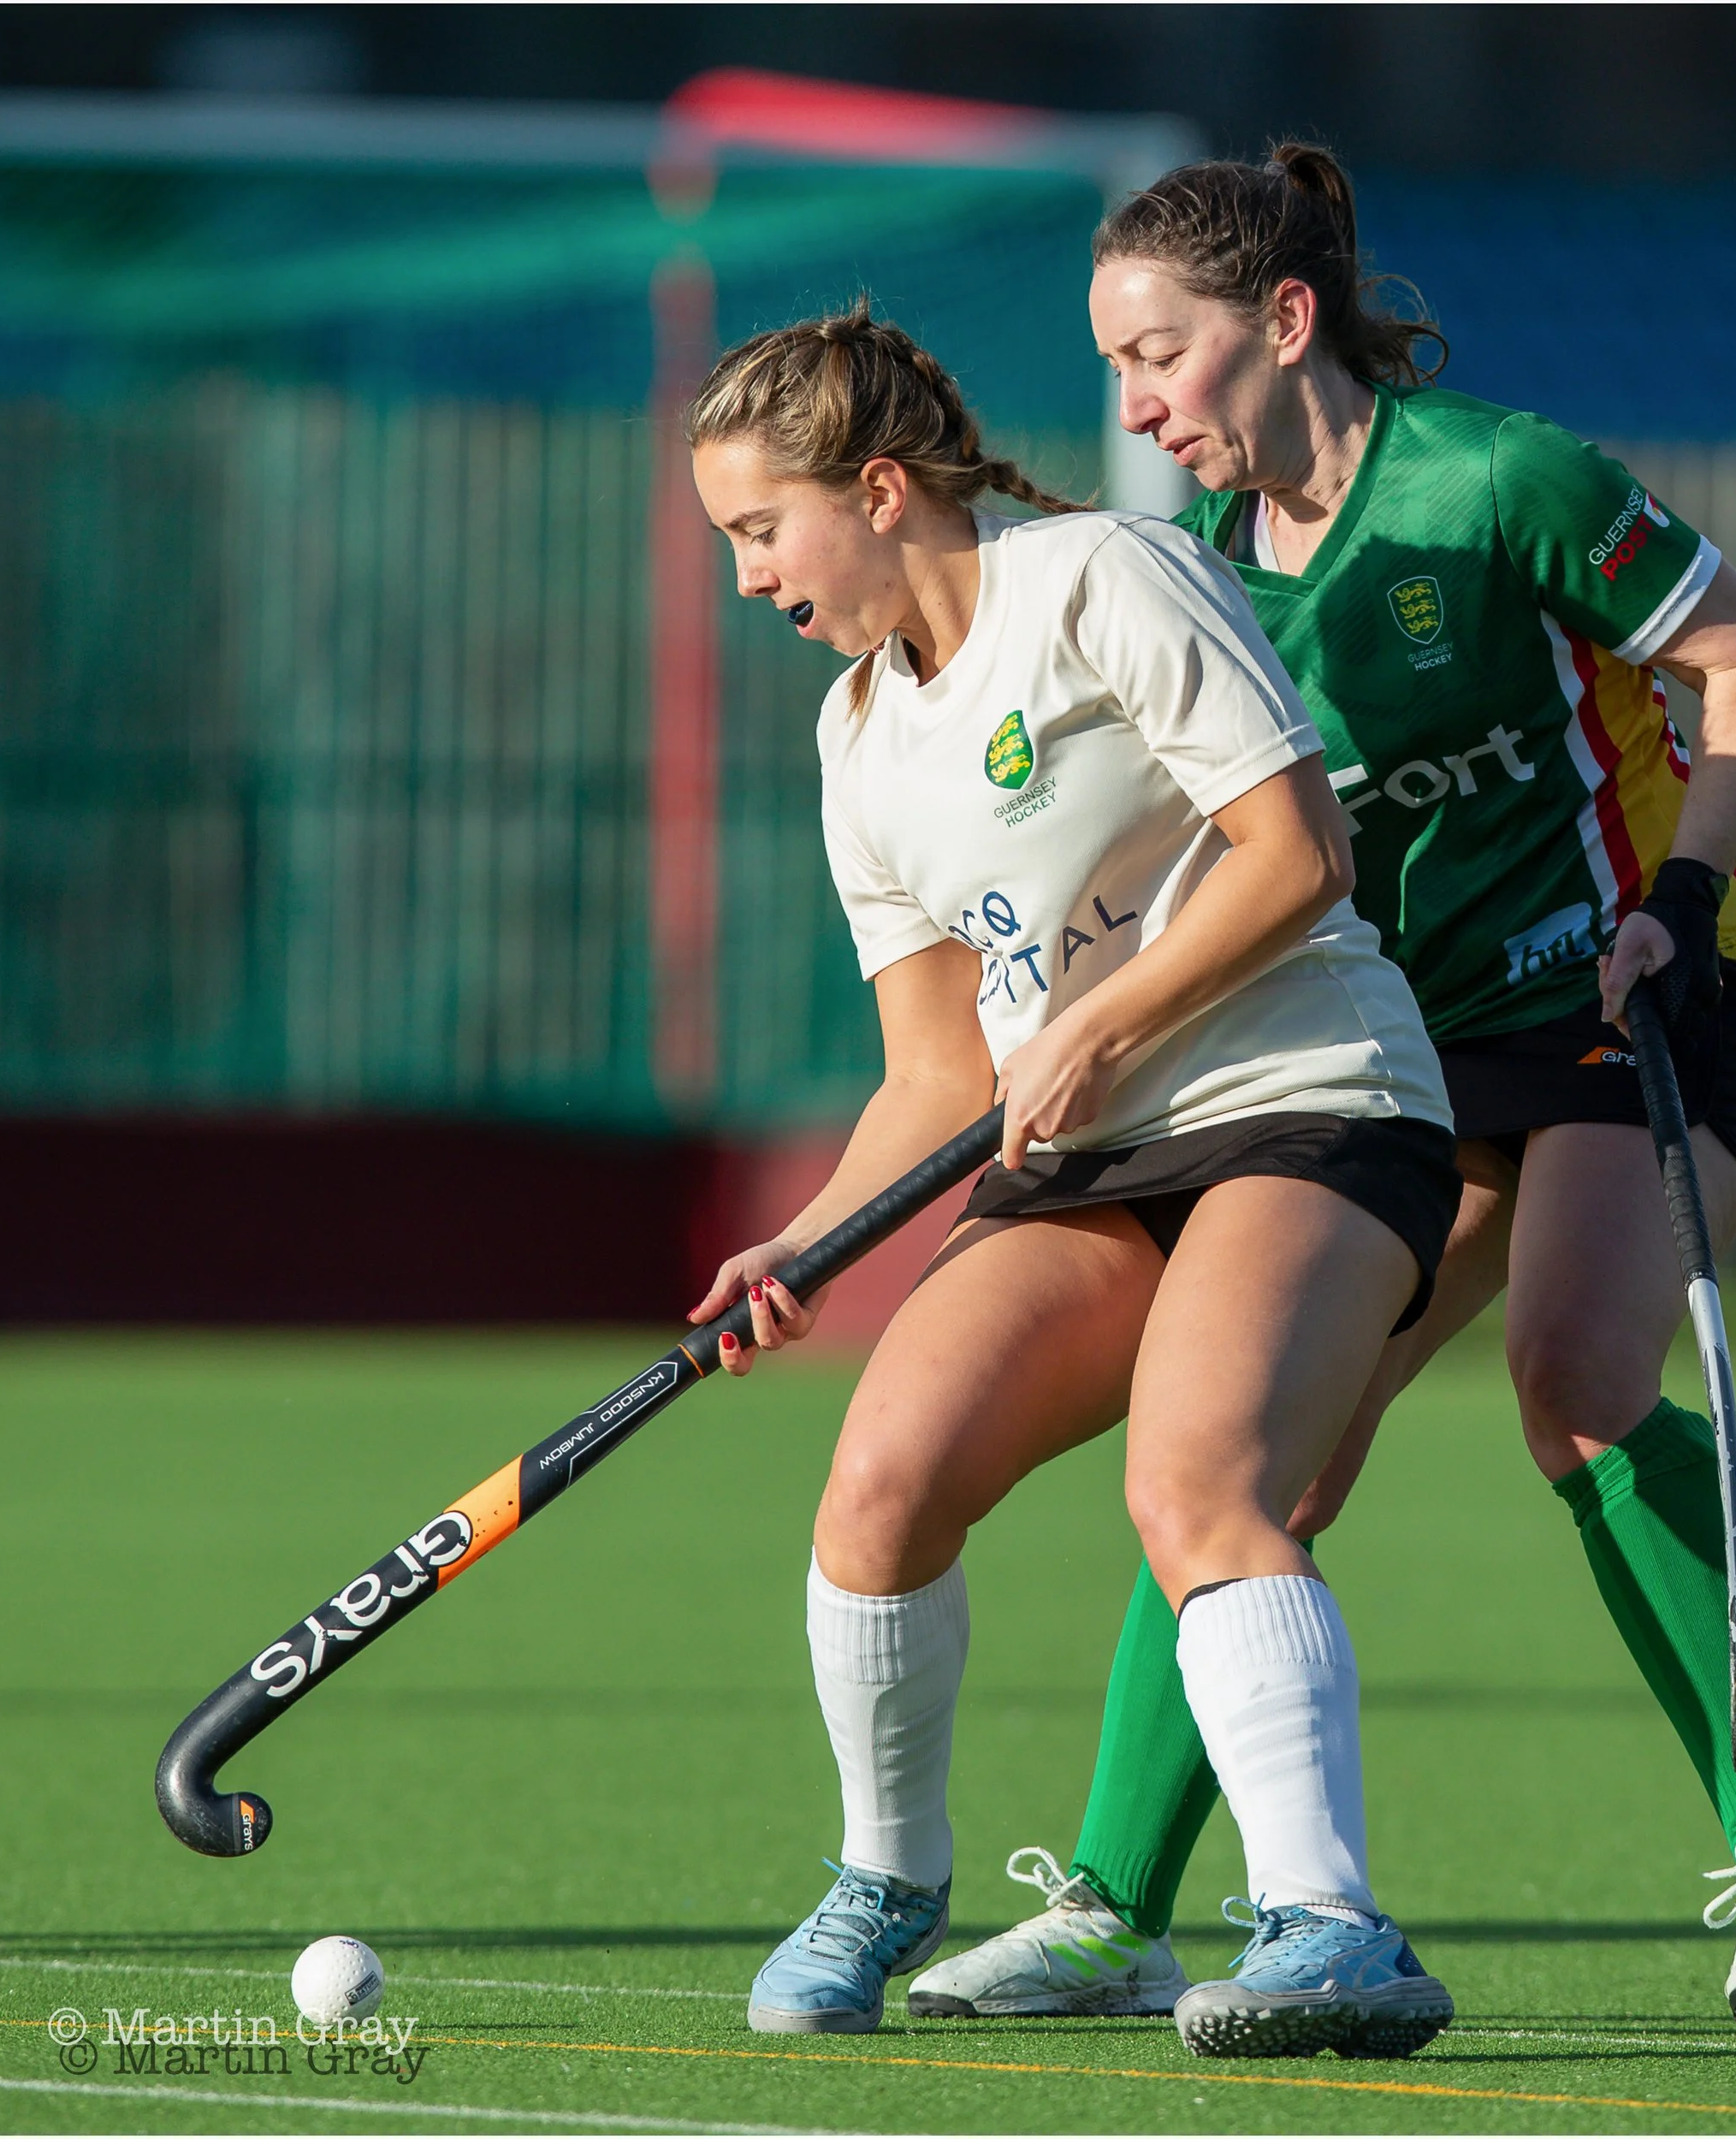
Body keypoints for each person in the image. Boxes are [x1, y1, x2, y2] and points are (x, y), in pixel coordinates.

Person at [911, 146, 1736, 2029]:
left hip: (1638, 991)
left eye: (1159, 356)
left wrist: (1684, 894)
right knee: (1245, 1451)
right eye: (1113, 366)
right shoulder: (1207, 580)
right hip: (1412, 1056)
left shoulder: (1499, 480)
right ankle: (1114, 1912)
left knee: (1574, 1373)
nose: (1134, 405)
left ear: (1286, 322)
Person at [683, 301, 1469, 2060]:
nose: (748, 577)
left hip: (1305, 1096)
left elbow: (1297, 853)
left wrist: (1103, 1022)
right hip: (1088, 1154)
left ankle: (1329, 1926)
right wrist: (803, 1243)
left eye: (760, 529)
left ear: (878, 489)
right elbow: (937, 1074)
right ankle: (887, 1878)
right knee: (879, 1485)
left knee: (1198, 1484)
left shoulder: (1107, 576)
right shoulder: (856, 735)